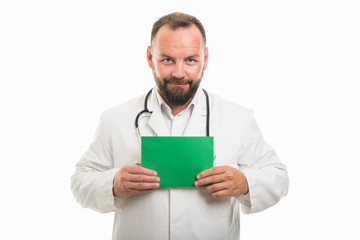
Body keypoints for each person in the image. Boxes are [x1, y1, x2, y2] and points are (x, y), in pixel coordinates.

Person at [71, 12, 289, 240]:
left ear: (205, 59)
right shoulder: (115, 119)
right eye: (167, 60)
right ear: (149, 57)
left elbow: (279, 177)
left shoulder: (237, 118)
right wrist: (113, 184)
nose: (179, 73)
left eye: (190, 60)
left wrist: (245, 183)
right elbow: (80, 181)